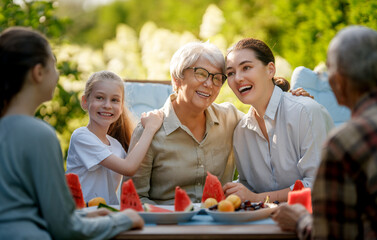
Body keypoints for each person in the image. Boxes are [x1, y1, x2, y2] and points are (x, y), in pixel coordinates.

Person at [0, 27, 144, 239]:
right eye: (54, 65)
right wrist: (126, 218)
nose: (57, 74)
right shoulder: (39, 134)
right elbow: (65, 228)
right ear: (38, 73)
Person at [125, 41, 310, 205]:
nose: (209, 84)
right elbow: (134, 197)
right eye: (201, 74)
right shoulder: (149, 130)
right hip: (167, 227)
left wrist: (291, 98)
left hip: (221, 222)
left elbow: (267, 115)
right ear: (177, 79)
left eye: (217, 78)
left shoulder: (231, 118)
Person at [272, 25, 377, 239]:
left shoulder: (345, 143)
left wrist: (301, 220)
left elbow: (332, 235)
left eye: (330, 70)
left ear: (338, 81)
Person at [223, 38, 334, 203]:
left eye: (246, 67)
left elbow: (319, 185)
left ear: (270, 70)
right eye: (230, 73)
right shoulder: (241, 131)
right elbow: (248, 187)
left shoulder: (305, 111)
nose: (238, 78)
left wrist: (258, 198)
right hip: (265, 223)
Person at [66, 70, 163, 205]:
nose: (107, 105)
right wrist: (150, 129)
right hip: (83, 213)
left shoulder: (116, 145)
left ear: (121, 107)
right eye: (99, 97)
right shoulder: (81, 137)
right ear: (85, 102)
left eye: (115, 100)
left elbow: (135, 167)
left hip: (108, 213)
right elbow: (129, 167)